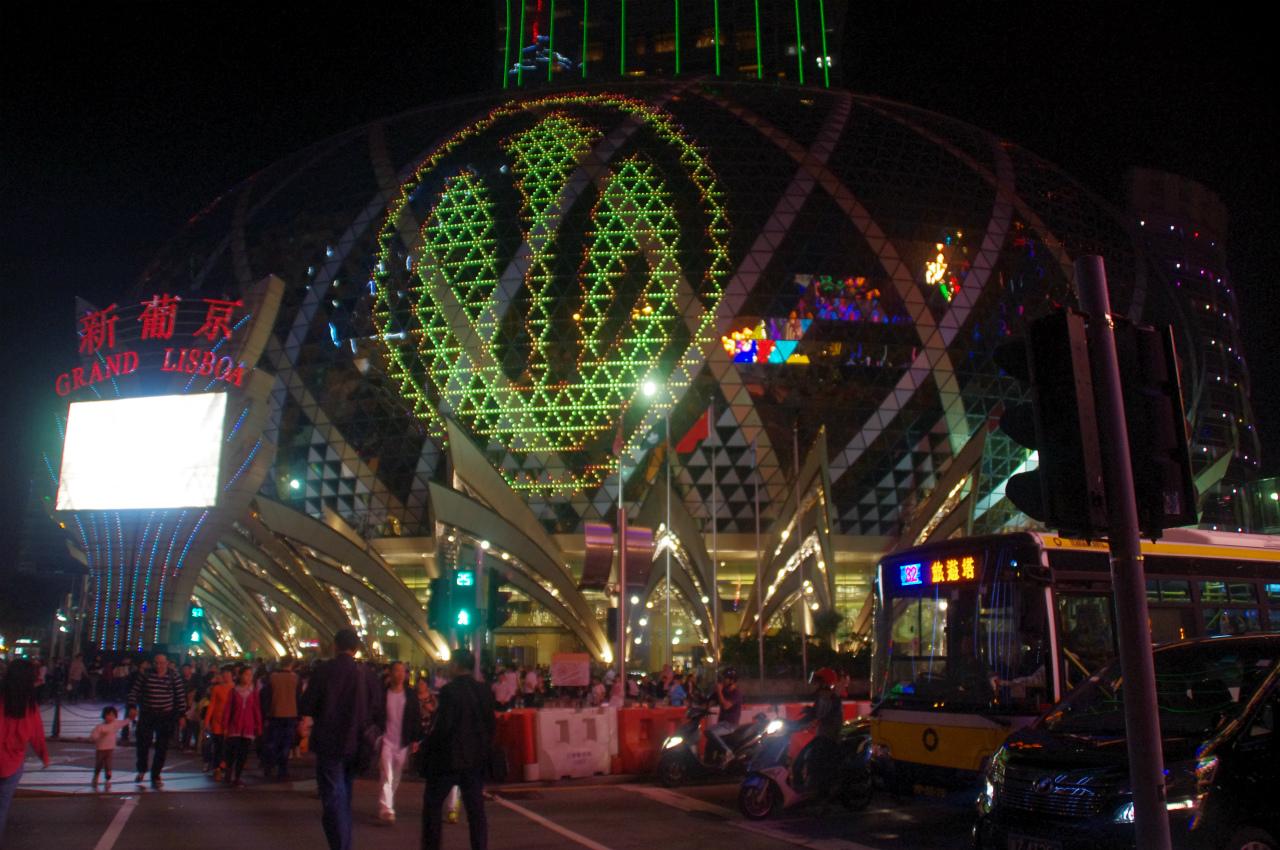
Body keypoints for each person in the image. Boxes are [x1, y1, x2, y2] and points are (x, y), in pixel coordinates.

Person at [300, 628, 382, 850]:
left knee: (333, 798)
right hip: (357, 744)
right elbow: (377, 708)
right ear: (356, 648)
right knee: (344, 794)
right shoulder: (366, 674)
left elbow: (307, 704)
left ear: (335, 646)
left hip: (330, 742)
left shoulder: (324, 671)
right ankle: (343, 840)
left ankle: (341, 844)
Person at [420, 648, 495, 850]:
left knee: (432, 804)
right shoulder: (484, 690)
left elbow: (444, 727)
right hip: (475, 761)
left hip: (450, 759)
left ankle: (431, 845)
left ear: (456, 665)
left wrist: (428, 746)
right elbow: (490, 725)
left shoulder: (449, 691)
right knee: (476, 812)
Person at [1, 659, 50, 844]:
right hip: (12, 763)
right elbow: (37, 734)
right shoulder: (29, 706)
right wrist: (44, 756)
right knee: (2, 808)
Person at [128, 652, 188, 787]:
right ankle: (142, 769)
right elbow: (134, 691)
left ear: (167, 663)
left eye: (162, 663)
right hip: (147, 713)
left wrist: (181, 715)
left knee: (162, 746)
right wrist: (132, 706)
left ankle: (156, 775)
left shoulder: (173, 676)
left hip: (165, 715)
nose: (159, 666)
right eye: (156, 663)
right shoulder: (146, 674)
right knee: (143, 743)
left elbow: (180, 696)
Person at [376, 661, 422, 823]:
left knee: (396, 775)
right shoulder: (383, 694)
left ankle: (387, 802)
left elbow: (416, 716)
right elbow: (376, 714)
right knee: (386, 774)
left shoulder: (410, 695)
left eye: (403, 671)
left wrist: (415, 739)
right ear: (390, 673)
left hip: (402, 741)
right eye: (397, 670)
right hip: (386, 739)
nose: (401, 674)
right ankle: (387, 809)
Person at [222, 665, 263, 787]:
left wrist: (258, 725)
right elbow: (228, 709)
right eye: (246, 674)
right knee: (232, 752)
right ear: (240, 676)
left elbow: (256, 709)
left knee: (243, 754)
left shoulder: (254, 692)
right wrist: (225, 725)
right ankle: (229, 773)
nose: (249, 677)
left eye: (250, 675)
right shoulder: (234, 691)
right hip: (235, 726)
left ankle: (237, 777)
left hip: (248, 727)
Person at [804, 667, 843, 792]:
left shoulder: (834, 700)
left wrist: (818, 720)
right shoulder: (819, 698)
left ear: (825, 683)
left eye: (819, 682)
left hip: (831, 738)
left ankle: (824, 791)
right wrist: (806, 714)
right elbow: (814, 712)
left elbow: (831, 716)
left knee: (819, 761)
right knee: (807, 757)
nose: (816, 685)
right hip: (821, 735)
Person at [262, 658, 300, 780]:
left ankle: (269, 766)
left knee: (273, 742)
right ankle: (282, 770)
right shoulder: (295, 678)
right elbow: (298, 698)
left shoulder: (272, 677)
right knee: (286, 743)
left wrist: (266, 713)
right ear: (291, 665)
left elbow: (266, 696)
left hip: (275, 713)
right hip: (291, 714)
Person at [90, 705, 135, 785]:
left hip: (110, 748)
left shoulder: (115, 724)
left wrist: (130, 718)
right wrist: (96, 737)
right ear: (104, 716)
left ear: (115, 716)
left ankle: (107, 778)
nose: (110, 717)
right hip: (100, 749)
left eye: (112, 715)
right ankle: (96, 776)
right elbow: (94, 735)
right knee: (99, 764)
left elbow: (123, 722)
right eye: (108, 715)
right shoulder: (100, 727)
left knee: (108, 764)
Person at [203, 665, 234, 778]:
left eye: (228, 674)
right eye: (224, 675)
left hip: (231, 722)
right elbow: (212, 705)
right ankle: (217, 768)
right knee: (218, 745)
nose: (226, 677)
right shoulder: (217, 689)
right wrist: (207, 721)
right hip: (217, 721)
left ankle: (224, 766)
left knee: (228, 746)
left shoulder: (235, 689)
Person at [706, 667, 743, 760]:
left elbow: (726, 705)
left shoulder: (736, 693)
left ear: (732, 680)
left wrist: (719, 691)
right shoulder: (724, 691)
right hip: (722, 723)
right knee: (710, 741)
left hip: (730, 725)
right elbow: (710, 702)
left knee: (710, 731)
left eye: (725, 678)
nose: (722, 681)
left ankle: (728, 752)